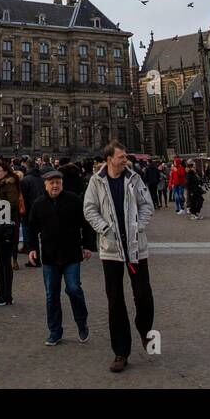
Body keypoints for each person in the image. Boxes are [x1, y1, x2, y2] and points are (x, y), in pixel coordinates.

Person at [83, 142, 155, 374]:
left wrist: (138, 227)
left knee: (143, 295)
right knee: (115, 301)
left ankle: (144, 328)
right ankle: (121, 352)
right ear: (109, 159)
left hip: (135, 246)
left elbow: (147, 205)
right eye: (122, 156)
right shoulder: (96, 181)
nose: (125, 160)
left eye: (126, 156)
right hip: (111, 248)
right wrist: (104, 228)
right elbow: (89, 209)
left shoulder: (135, 178)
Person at [27, 168, 95, 345]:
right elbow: (31, 228)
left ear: (62, 184)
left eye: (58, 182)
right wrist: (32, 248)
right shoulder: (39, 204)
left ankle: (82, 324)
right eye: (51, 183)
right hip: (50, 256)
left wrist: (87, 246)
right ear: (46, 185)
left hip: (72, 254)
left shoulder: (73, 200)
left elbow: (86, 224)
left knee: (74, 289)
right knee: (52, 295)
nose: (55, 185)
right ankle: (55, 331)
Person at [0, 160, 22, 305]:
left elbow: (13, 205)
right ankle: (2, 291)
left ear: (6, 172)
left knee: (6, 263)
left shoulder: (10, 185)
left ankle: (7, 296)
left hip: (7, 228)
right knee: (1, 263)